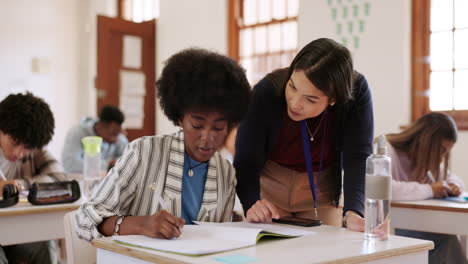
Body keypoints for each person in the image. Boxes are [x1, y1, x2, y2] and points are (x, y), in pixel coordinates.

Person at [74, 48, 251, 241]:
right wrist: (141, 225)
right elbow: (84, 219)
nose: (207, 137)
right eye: (197, 125)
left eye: (218, 127)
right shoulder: (144, 153)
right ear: (179, 118)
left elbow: (218, 239)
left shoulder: (225, 172)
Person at [234, 38, 373, 231]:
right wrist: (252, 203)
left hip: (321, 189)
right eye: (292, 87)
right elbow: (245, 158)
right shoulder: (267, 91)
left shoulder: (355, 93)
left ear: (333, 99)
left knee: (325, 253)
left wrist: (353, 211)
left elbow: (358, 156)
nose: (295, 103)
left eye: (310, 99)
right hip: (271, 189)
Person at [387, 112, 467, 264]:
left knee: (447, 238)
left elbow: (453, 178)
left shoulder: (426, 160)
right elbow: (387, 189)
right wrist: (430, 190)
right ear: (427, 143)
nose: (442, 156)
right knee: (446, 240)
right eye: (442, 150)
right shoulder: (388, 150)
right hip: (390, 227)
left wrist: (454, 186)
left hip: (411, 223)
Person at [0, 92, 65, 264]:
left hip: (15, 229)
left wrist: (18, 185)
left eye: (27, 148)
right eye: (14, 143)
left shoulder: (34, 149)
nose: (18, 153)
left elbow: (58, 177)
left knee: (45, 244)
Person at [61, 105, 128, 173]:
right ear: (101, 126)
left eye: (119, 133)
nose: (116, 139)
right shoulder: (77, 133)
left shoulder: (119, 138)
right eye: (113, 134)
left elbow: (128, 160)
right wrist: (108, 166)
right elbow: (70, 164)